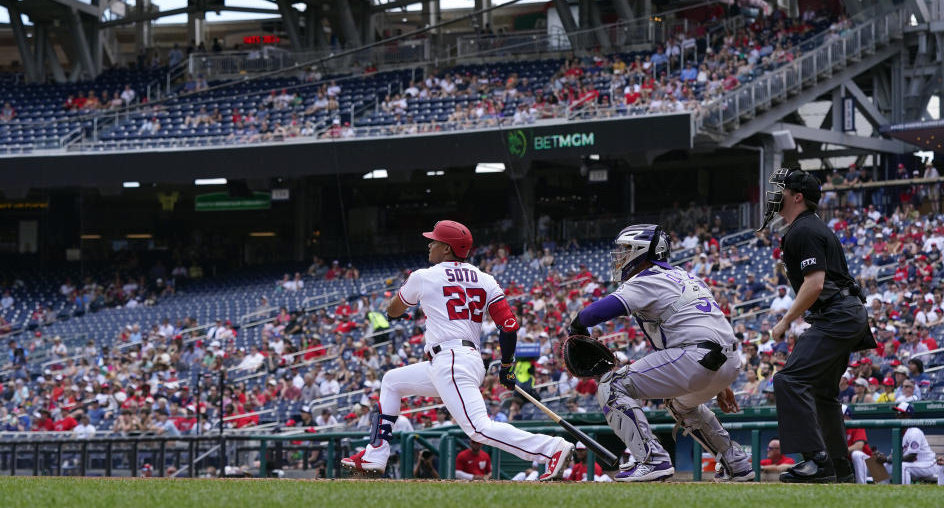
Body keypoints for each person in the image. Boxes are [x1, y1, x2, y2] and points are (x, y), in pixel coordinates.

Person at [341, 220, 573, 480]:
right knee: (392, 381)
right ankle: (376, 454)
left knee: (477, 429)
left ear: (447, 249)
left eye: (435, 241)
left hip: (450, 360)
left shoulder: (424, 276)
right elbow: (509, 326)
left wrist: (403, 308)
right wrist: (507, 365)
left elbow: (393, 310)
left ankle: (551, 449)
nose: (430, 244)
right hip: (463, 360)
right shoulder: (485, 279)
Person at [565, 224, 753, 482]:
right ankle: (737, 463)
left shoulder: (646, 278)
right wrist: (721, 383)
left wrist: (575, 327)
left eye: (626, 250)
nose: (620, 256)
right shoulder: (685, 276)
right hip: (726, 359)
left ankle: (652, 460)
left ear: (641, 252)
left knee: (612, 384)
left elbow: (594, 313)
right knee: (679, 403)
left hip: (696, 357)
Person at [760, 168, 876, 483]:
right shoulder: (806, 228)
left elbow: (814, 284)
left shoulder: (804, 230)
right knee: (824, 394)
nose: (775, 194)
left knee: (788, 381)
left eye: (781, 189)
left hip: (837, 314)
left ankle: (817, 461)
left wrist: (785, 320)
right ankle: (841, 471)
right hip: (843, 313)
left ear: (797, 197)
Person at [842, 405, 873, 484]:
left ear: (847, 417)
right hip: (854, 466)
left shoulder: (855, 425)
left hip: (872, 464)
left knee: (856, 454)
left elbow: (859, 446)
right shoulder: (835, 430)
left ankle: (861, 485)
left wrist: (840, 451)